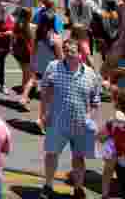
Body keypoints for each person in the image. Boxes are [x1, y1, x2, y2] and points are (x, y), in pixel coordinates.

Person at [40, 37, 103, 199]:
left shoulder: (90, 75)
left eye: (72, 51)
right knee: (52, 154)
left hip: (80, 124)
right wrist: (43, 114)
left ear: (81, 55)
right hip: (57, 121)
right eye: (66, 50)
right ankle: (48, 185)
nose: (68, 54)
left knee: (79, 157)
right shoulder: (53, 67)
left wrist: (91, 119)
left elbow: (95, 100)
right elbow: (45, 91)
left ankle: (78, 188)